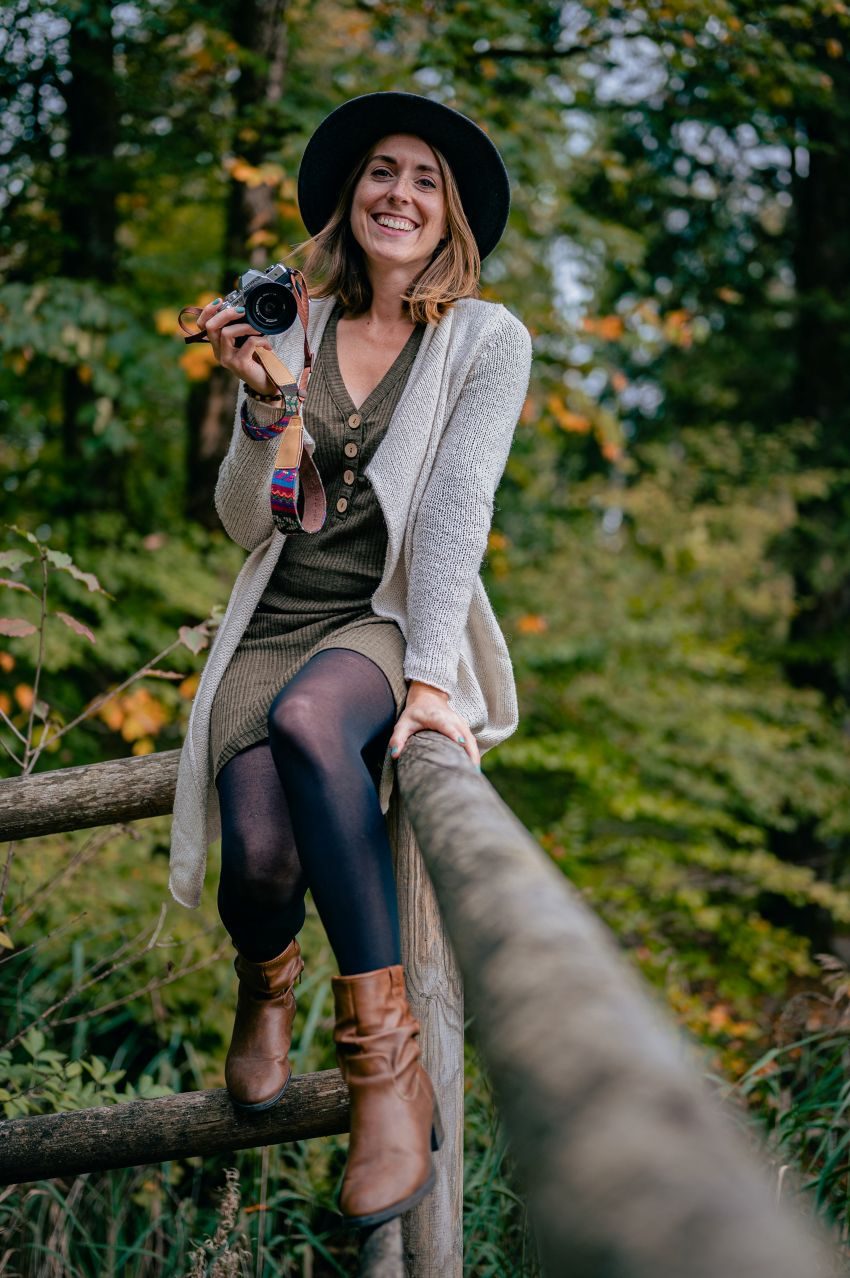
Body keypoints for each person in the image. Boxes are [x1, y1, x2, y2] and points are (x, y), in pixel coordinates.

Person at [168, 91, 533, 1227]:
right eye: (383, 171)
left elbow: (455, 510)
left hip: (383, 617)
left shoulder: (484, 337)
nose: (401, 194)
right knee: (260, 866)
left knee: (313, 724)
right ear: (349, 195)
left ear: (451, 214)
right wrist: (263, 405)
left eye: (426, 180)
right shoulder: (293, 323)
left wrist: (431, 679)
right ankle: (262, 982)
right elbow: (244, 523)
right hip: (275, 615)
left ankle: (387, 1073)